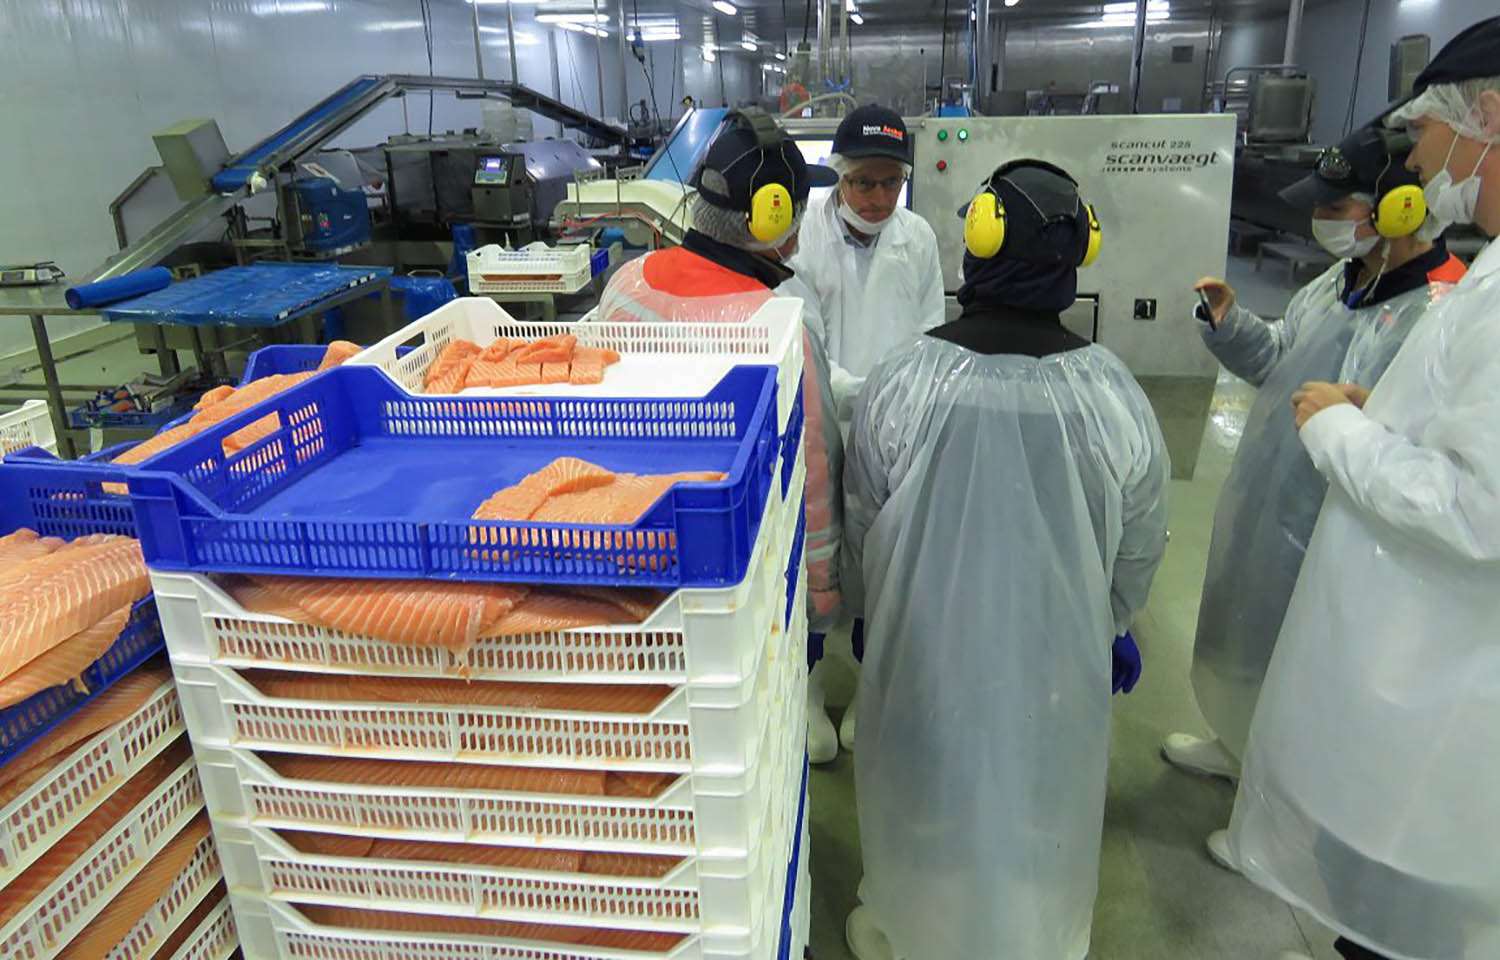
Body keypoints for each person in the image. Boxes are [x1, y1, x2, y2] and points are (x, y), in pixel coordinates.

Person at [841, 160, 1169, 960]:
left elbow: (864, 518)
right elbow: (1143, 535)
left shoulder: (905, 379)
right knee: (1042, 785)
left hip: (924, 644)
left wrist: (865, 612)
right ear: (1075, 259)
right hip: (1055, 658)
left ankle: (901, 922)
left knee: (923, 772)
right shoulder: (1113, 392)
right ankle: (1040, 935)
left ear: (977, 247)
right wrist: (1113, 623)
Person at [1226, 17, 1500, 960]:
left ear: (1490, 115)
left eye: (1427, 131)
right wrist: (1375, 408)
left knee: (1394, 917)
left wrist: (1342, 427)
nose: (1423, 161)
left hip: (1435, 694)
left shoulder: (1471, 291)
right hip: (1408, 670)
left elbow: (1481, 505)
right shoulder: (1470, 281)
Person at [1161, 121, 1465, 858]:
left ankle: (1274, 835)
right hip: (1277, 494)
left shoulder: (1440, 310)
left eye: (1338, 208)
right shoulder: (1340, 280)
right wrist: (1232, 325)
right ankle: (1238, 751)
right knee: (1255, 636)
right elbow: (1280, 364)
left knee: (1315, 676)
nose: (1322, 222)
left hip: (1349, 520)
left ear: (1398, 208)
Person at [596, 108, 849, 670]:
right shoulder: (780, 322)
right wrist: (822, 587)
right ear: (771, 218)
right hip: (738, 570)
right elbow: (812, 468)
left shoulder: (625, 283)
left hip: (626, 558)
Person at [790, 104, 946, 763]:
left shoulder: (920, 238)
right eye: (865, 183)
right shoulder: (803, 235)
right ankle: (808, 689)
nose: (879, 198)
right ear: (839, 175)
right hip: (820, 419)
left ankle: (865, 692)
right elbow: (803, 338)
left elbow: (934, 334)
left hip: (898, 427)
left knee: (883, 561)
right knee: (814, 560)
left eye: (892, 183)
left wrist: (908, 404)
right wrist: (861, 393)